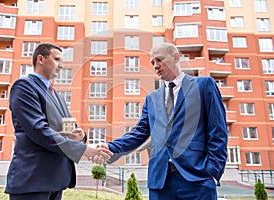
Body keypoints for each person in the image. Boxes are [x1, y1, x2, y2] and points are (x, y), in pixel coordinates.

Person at [97, 42, 228, 199]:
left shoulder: (204, 85)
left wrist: (213, 171)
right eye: (152, 62)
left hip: (196, 178)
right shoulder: (152, 98)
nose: (155, 65)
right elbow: (139, 133)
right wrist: (111, 146)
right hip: (160, 181)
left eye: (159, 59)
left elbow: (218, 130)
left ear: (176, 57)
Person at [5, 43, 112, 200]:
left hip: (56, 181)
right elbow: (38, 130)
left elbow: (69, 126)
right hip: (33, 180)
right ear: (40, 59)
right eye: (56, 60)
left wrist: (80, 136)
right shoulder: (24, 87)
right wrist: (83, 149)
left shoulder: (58, 96)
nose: (61, 66)